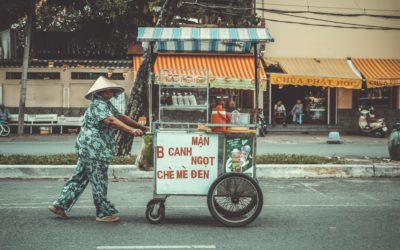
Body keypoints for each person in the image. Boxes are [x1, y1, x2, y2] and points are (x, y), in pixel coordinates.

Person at [48, 76, 147, 223]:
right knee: (99, 179)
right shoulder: (99, 105)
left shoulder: (105, 104)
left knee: (79, 177)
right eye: (109, 91)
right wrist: (132, 131)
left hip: (88, 148)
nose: (112, 94)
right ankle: (103, 212)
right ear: (100, 92)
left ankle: (60, 205)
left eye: (112, 91)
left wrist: (141, 127)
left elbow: (120, 117)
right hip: (95, 149)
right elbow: (111, 121)